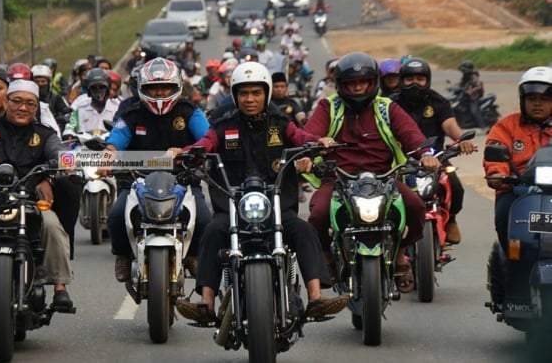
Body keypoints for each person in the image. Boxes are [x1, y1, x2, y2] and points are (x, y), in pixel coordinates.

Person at [173, 62, 349, 323]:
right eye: (243, 94)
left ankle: (315, 297)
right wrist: (186, 152)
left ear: (266, 94)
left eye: (256, 93)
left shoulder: (280, 123)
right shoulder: (223, 124)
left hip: (277, 208)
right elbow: (206, 142)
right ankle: (206, 302)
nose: (250, 99)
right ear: (234, 95)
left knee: (304, 231)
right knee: (211, 232)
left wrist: (317, 144)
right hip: (233, 209)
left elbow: (301, 138)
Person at [302, 52, 440, 293]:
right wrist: (313, 146)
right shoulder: (328, 106)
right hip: (338, 179)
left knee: (416, 207)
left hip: (383, 178)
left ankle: (399, 253)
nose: (357, 88)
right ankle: (327, 256)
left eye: (363, 83)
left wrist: (426, 154)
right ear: (341, 85)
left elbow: (411, 135)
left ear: (373, 83)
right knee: (318, 215)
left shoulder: (387, 108)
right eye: (352, 84)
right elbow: (309, 135)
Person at [0, 79, 75, 310]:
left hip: (28, 202)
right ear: (6, 102)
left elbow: (60, 153)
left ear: (36, 108)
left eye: (30, 104)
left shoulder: (45, 134)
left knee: (51, 224)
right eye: (17, 101)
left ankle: (60, 287)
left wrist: (65, 167)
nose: (23, 108)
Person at [104, 57, 212, 282]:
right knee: (115, 217)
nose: (161, 93)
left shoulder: (189, 111)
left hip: (183, 180)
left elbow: (208, 138)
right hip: (137, 181)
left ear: (177, 87)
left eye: (165, 87)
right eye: (154, 88)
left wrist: (184, 152)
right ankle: (123, 255)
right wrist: (109, 154)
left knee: (204, 218)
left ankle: (193, 256)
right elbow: (116, 140)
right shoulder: (131, 114)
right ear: (142, 89)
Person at [392, 57, 475, 245]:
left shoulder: (438, 102)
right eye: (409, 79)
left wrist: (461, 141)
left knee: (455, 186)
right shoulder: (390, 104)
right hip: (398, 161)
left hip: (435, 159)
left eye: (420, 79)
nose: (415, 83)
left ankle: (451, 219)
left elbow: (450, 125)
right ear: (402, 80)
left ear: (427, 80)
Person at [484, 66, 552, 249]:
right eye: (532, 99)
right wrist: (497, 174)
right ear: (523, 99)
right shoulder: (506, 126)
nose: (537, 104)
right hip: (517, 189)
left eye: (544, 99)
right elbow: (495, 155)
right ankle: (511, 261)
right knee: (504, 215)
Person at [63, 67, 119, 138]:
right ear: (88, 90)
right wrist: (69, 133)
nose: (98, 91)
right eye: (94, 88)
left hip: (110, 146)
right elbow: (71, 125)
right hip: (84, 147)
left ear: (107, 88)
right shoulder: (80, 106)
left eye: (101, 87)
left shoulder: (117, 107)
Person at [32, 63, 71, 133]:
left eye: (43, 81)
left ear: (49, 82)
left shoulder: (56, 98)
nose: (40, 84)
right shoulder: (29, 99)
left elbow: (69, 114)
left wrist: (61, 118)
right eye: (37, 82)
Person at [458, 60, 486, 131]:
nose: (462, 71)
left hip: (473, 98)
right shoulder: (465, 76)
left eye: (463, 70)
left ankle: (483, 127)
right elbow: (460, 84)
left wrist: (472, 90)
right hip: (465, 97)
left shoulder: (474, 77)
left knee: (474, 111)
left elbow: (479, 86)